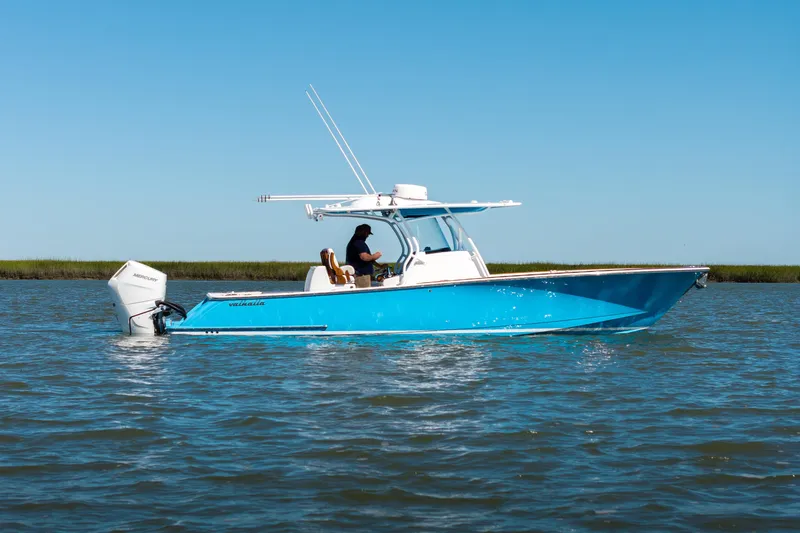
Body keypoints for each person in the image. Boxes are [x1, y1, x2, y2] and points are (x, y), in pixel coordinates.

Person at [346, 224, 382, 288]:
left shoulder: (354, 242)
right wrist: (375, 256)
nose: (367, 236)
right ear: (365, 233)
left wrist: (380, 266)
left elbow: (367, 259)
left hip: (359, 275)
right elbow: (364, 257)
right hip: (361, 276)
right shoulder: (359, 243)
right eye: (367, 234)